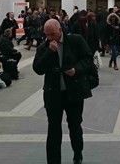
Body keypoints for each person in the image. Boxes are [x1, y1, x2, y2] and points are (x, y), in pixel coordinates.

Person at [33, 19, 94, 164]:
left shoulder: (75, 41)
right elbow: (38, 69)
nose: (50, 38)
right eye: (47, 35)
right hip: (53, 94)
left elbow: (88, 59)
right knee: (53, 129)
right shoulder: (44, 47)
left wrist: (76, 70)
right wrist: (49, 51)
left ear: (60, 30)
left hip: (73, 92)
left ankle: (77, 153)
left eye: (52, 34)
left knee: (75, 125)